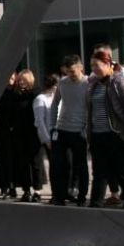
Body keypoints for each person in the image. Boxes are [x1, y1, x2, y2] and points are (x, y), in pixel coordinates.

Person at [85, 47, 124, 211]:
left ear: (108, 64)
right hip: (98, 136)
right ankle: (95, 207)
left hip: (117, 136)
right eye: (92, 66)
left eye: (97, 65)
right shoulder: (94, 84)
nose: (94, 69)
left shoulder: (119, 82)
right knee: (99, 174)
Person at [47, 56, 90, 206]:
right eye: (67, 72)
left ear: (81, 68)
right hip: (61, 129)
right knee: (58, 163)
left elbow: (90, 107)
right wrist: (52, 126)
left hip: (79, 131)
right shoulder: (63, 83)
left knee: (80, 164)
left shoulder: (88, 83)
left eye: (73, 71)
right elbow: (54, 104)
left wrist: (86, 129)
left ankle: (82, 196)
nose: (70, 75)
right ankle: (59, 195)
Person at [0, 70, 41, 202]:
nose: (21, 82)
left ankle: (37, 190)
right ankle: (26, 190)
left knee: (35, 163)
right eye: (20, 80)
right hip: (19, 134)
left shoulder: (35, 94)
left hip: (33, 133)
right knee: (23, 163)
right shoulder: (14, 95)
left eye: (24, 80)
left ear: (30, 80)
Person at [32, 72, 58, 201]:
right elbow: (40, 121)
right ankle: (40, 190)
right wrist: (46, 139)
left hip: (57, 134)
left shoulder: (58, 98)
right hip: (45, 136)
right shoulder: (41, 99)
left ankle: (58, 191)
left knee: (57, 165)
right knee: (41, 164)